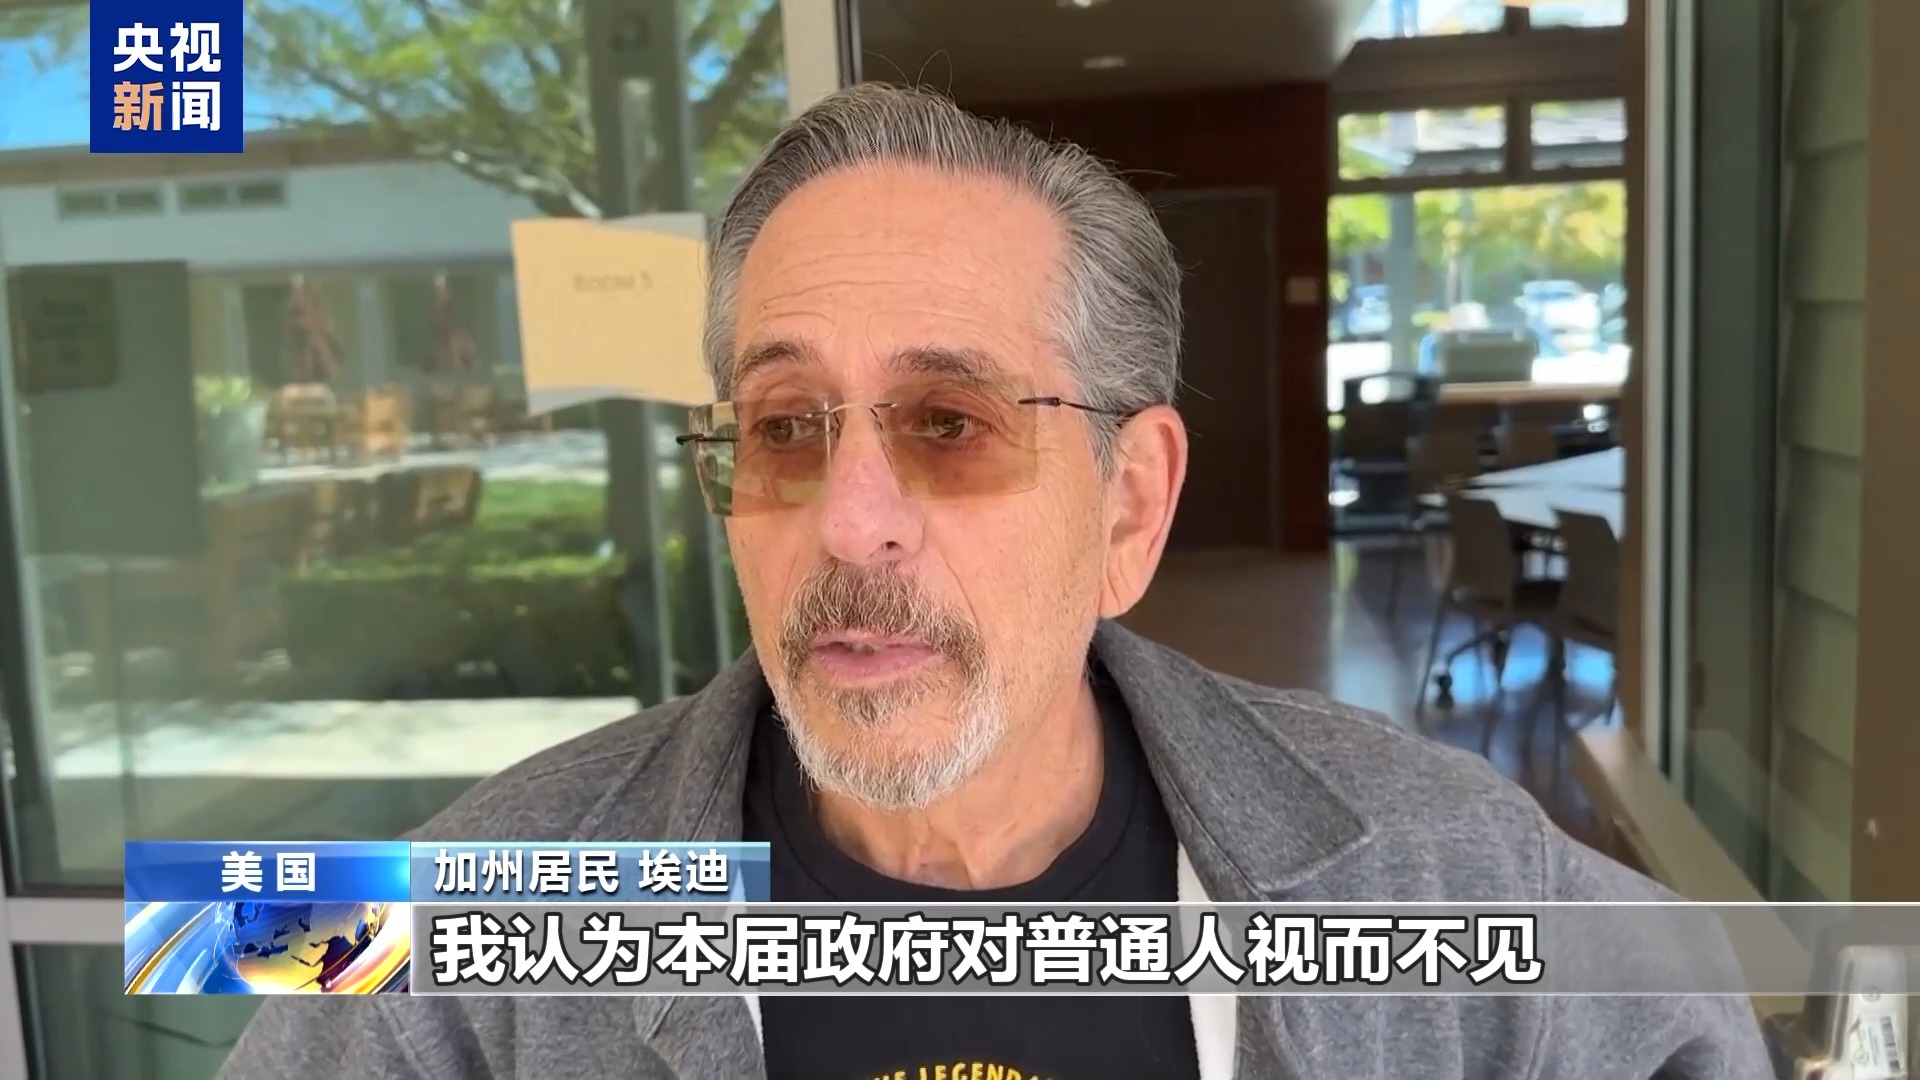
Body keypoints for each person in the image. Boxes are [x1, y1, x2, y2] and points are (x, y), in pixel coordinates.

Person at [219, 83, 1768, 1080]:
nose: (849, 524)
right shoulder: (463, 925)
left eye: (950, 424)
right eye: (785, 426)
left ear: (1130, 504)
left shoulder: (1435, 874)